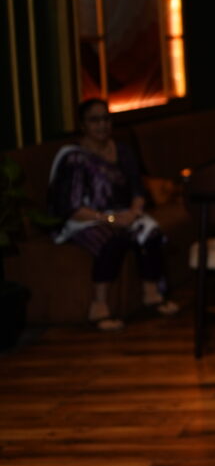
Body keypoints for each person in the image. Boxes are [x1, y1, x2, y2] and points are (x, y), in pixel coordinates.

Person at [49, 98, 178, 331]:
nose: (102, 125)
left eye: (106, 119)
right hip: (85, 219)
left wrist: (133, 213)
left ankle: (151, 294)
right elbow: (71, 207)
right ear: (83, 125)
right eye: (94, 120)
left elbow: (137, 189)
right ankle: (99, 306)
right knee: (113, 239)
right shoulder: (74, 158)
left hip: (123, 214)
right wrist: (109, 219)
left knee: (149, 231)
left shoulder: (122, 151)